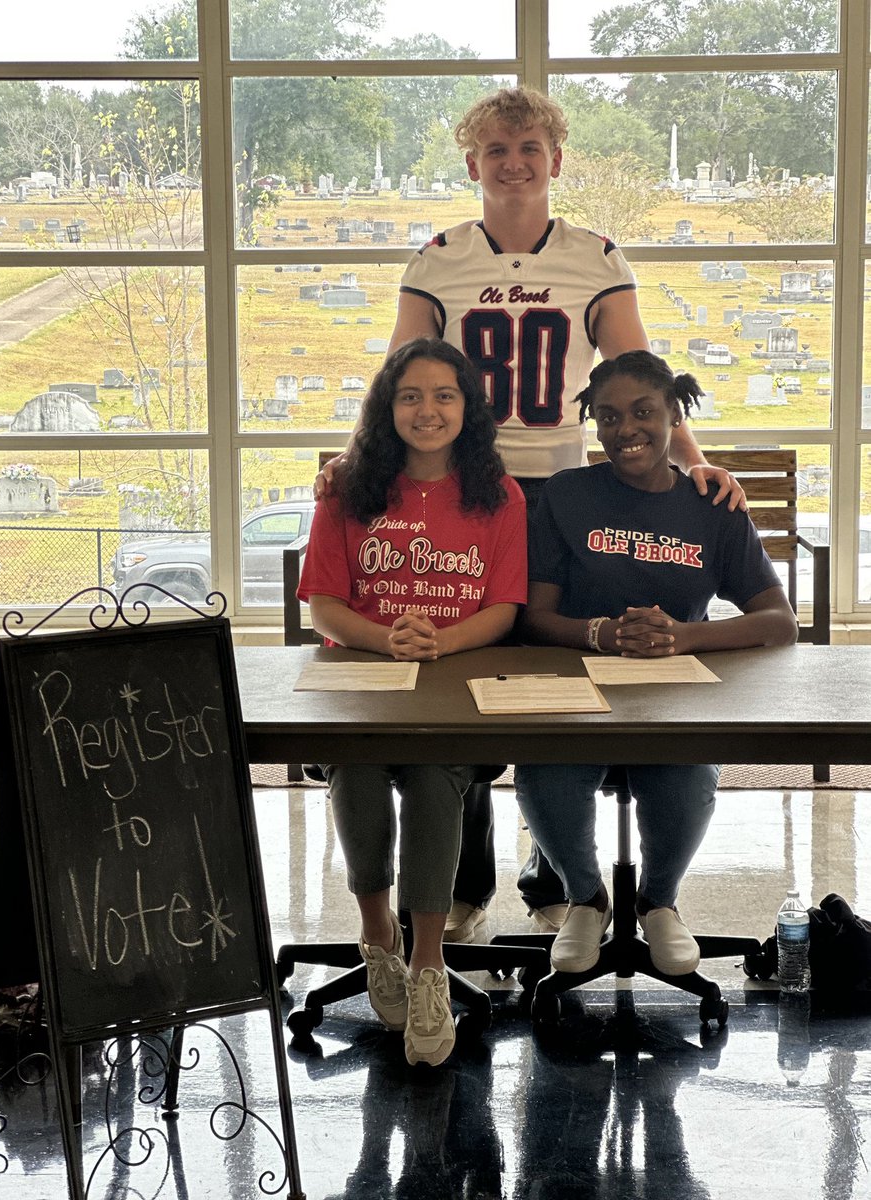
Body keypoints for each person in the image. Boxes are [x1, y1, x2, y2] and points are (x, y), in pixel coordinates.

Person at [319, 84, 747, 943]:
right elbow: (403, 371)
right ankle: (463, 878)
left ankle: (558, 873)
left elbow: (641, 374)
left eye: (529, 149)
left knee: (554, 675)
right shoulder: (440, 258)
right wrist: (357, 451)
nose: (514, 164)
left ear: (555, 160)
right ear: (472, 163)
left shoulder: (594, 255)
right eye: (496, 151)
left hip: (557, 482)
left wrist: (694, 463)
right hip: (460, 477)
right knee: (460, 681)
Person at [514, 350, 798, 978]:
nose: (626, 430)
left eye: (643, 412)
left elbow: (779, 622)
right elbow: (534, 617)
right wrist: (602, 633)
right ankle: (585, 900)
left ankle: (658, 902)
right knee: (544, 773)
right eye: (608, 417)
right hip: (577, 685)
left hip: (675, 690)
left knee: (686, 773)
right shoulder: (566, 495)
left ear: (674, 413)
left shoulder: (712, 506)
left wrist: (685, 638)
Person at [297, 337, 527, 1067]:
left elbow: (505, 608)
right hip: (361, 676)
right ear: (386, 407)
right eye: (410, 396)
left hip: (451, 680)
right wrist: (383, 638)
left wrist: (440, 643)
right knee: (357, 772)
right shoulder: (346, 489)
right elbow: (325, 607)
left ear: (469, 408)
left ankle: (429, 965)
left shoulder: (501, 493)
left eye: (444, 396)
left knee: (435, 780)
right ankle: (378, 942)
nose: (427, 411)